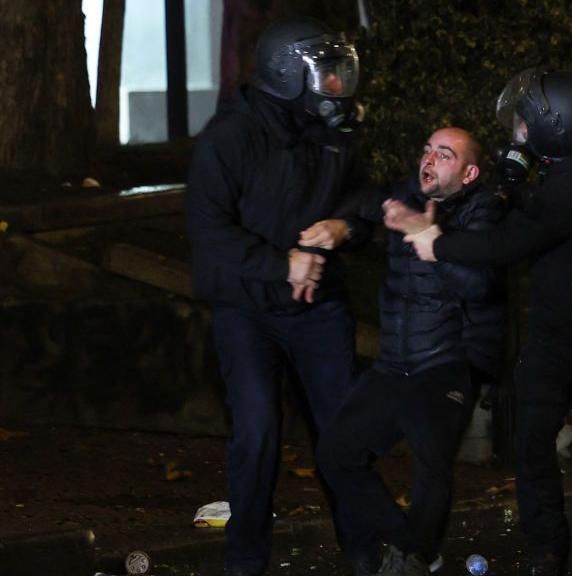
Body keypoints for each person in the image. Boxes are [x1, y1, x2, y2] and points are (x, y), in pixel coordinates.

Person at [395, 69, 572, 576]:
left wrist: (438, 244)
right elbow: (538, 208)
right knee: (530, 439)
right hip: (556, 331)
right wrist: (513, 183)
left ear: (559, 127)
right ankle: (547, 548)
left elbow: (511, 243)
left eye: (527, 123)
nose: (519, 131)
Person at [185, 16, 369, 576]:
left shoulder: (336, 131)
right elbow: (208, 231)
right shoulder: (230, 138)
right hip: (247, 307)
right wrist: (281, 262)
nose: (337, 86)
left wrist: (345, 227)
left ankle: (365, 552)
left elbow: (365, 198)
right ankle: (245, 561)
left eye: (341, 74)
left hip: (316, 307)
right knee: (259, 429)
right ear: (289, 75)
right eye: (326, 75)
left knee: (342, 431)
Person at [316, 127, 505, 576]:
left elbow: (480, 286)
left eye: (444, 155)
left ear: (469, 172)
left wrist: (434, 240)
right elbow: (363, 202)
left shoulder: (483, 211)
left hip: (443, 364)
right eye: (426, 151)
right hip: (391, 366)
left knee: (432, 463)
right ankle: (413, 547)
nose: (429, 160)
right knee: (335, 455)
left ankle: (412, 559)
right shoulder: (406, 197)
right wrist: (354, 221)